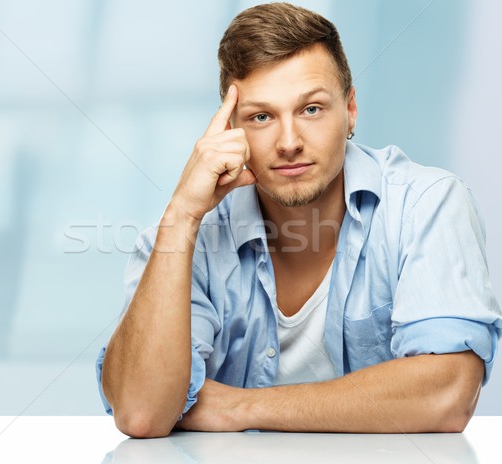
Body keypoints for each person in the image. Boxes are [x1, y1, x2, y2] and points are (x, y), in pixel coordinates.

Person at [96, 2, 502, 438]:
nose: (289, 142)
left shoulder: (426, 204)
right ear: (230, 128)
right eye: (262, 117)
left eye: (311, 109)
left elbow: (447, 396)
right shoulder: (187, 231)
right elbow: (141, 413)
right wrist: (181, 216)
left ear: (350, 110)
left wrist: (239, 407)